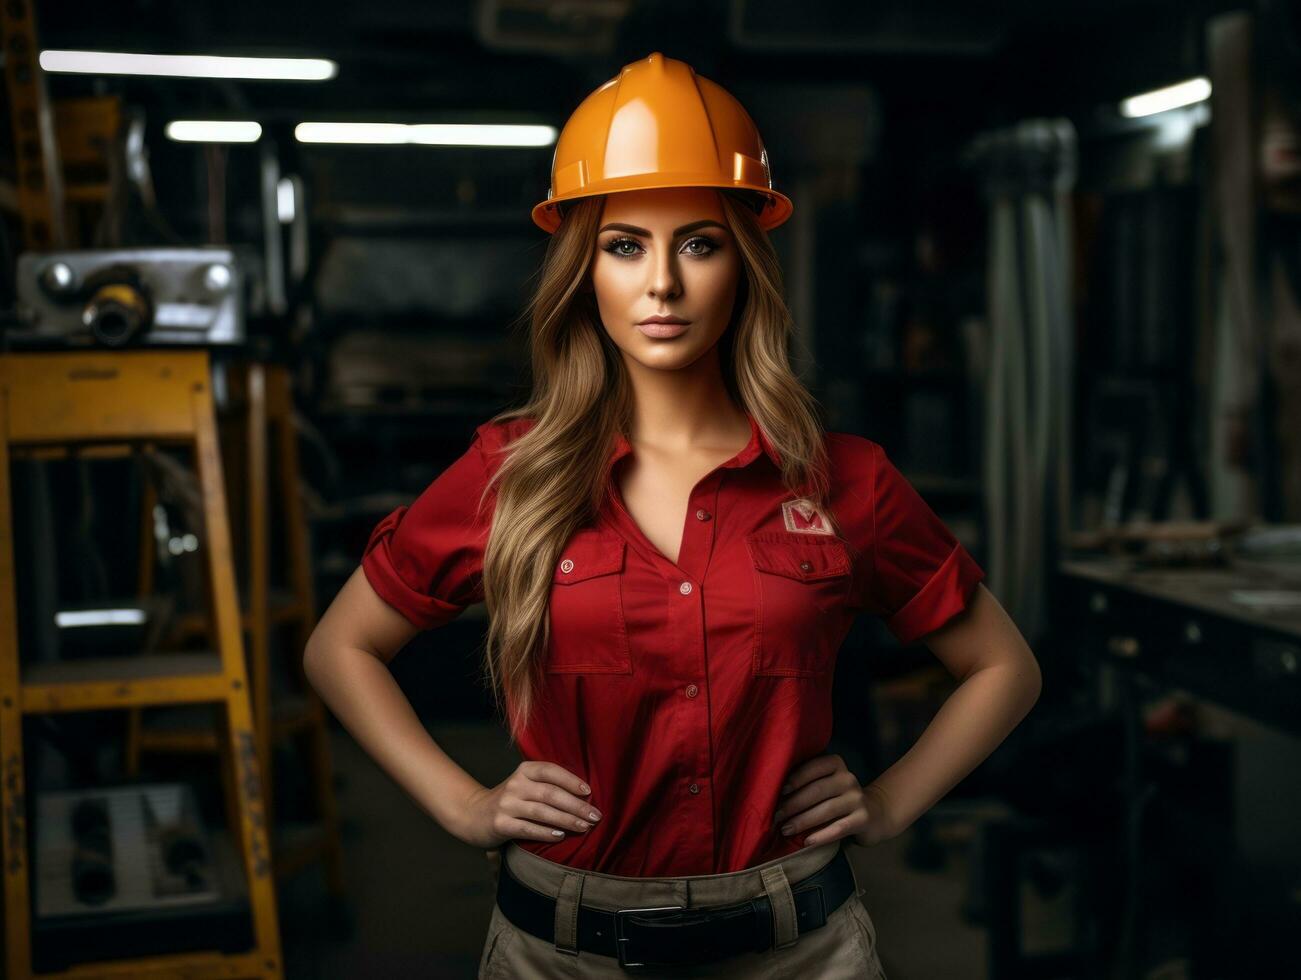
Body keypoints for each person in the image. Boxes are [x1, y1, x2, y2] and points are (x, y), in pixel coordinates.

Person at [305, 51, 1042, 979]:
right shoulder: (508, 473)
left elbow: (1003, 668)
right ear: (585, 272)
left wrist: (890, 802)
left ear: (744, 266)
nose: (662, 283)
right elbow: (340, 647)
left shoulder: (842, 479)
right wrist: (462, 805)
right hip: (560, 952)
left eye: (698, 243)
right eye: (624, 246)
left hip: (799, 949)